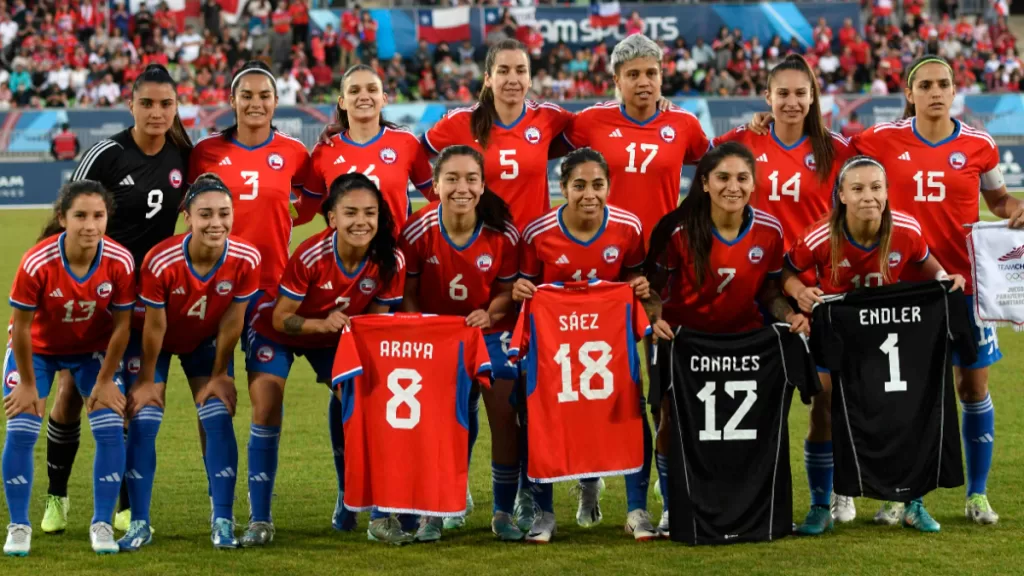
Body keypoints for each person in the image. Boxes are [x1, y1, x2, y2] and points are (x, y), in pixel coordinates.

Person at [750, 53, 1024, 526]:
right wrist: (767, 121)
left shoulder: (980, 144)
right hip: (892, 292)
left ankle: (976, 495)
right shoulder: (877, 139)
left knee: (972, 385)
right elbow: (828, 147)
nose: (936, 92)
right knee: (893, 396)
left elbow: (998, 199)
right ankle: (889, 495)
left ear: (955, 89)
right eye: (926, 85)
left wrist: (1016, 208)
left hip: (957, 283)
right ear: (910, 93)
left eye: (944, 84)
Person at [43, 63, 193, 536]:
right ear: (131, 105)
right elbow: (61, 220)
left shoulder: (182, 155)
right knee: (70, 394)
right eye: (146, 103)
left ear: (175, 108)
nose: (156, 112)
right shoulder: (106, 155)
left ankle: (127, 504)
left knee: (133, 400)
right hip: (92, 296)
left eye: (165, 104)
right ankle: (56, 495)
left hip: (146, 301)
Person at [782, 155, 966, 533]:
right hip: (836, 335)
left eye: (876, 188)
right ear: (842, 196)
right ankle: (822, 504)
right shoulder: (820, 236)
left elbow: (928, 264)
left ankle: (911, 500)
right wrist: (799, 291)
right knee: (824, 407)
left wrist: (947, 278)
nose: (869, 196)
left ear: (886, 193)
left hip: (885, 336)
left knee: (901, 411)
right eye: (859, 188)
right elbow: (784, 270)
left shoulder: (906, 231)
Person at [644, 142, 808, 538]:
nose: (732, 186)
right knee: (669, 422)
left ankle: (744, 502)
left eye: (741, 178)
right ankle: (672, 504)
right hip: (684, 343)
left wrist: (791, 315)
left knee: (747, 431)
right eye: (722, 177)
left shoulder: (769, 230)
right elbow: (651, 289)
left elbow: (770, 292)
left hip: (743, 344)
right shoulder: (677, 230)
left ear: (753, 183)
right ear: (704, 183)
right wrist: (656, 317)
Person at [242, 173, 405, 547]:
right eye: (350, 213)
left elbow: (377, 323)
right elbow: (282, 317)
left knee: (360, 397)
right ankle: (260, 520)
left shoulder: (388, 259)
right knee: (266, 408)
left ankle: (369, 509)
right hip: (278, 330)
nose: (361, 222)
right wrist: (322, 323)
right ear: (331, 218)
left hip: (332, 336)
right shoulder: (312, 254)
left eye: (370, 213)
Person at [511, 148, 655, 543]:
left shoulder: (627, 227)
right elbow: (523, 289)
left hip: (607, 345)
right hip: (554, 348)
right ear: (563, 188)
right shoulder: (537, 233)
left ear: (609, 186)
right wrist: (521, 289)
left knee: (628, 413)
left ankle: (636, 509)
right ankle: (544, 513)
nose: (589, 194)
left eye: (597, 185)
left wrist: (638, 286)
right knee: (542, 420)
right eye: (579, 185)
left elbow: (633, 279)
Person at [116, 174, 261, 551]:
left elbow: (233, 320)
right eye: (206, 214)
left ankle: (223, 519)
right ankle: (140, 524)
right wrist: (148, 378)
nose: (216, 222)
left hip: (205, 342)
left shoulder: (246, 257)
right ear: (188, 218)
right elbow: (155, 324)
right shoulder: (161, 259)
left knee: (217, 413)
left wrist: (219, 374)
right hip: (155, 341)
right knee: (145, 417)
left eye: (224, 214)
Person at [4, 181, 135, 556]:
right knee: (23, 427)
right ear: (62, 218)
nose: (90, 225)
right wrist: (28, 385)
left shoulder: (120, 261)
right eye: (80, 216)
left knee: (111, 427)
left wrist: (108, 379)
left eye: (98, 215)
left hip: (90, 351)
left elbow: (123, 326)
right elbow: (23, 329)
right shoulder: (37, 262)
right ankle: (18, 526)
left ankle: (102, 524)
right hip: (37, 353)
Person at [398, 146, 522, 542]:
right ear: (434, 185)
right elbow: (409, 292)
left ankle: (503, 511)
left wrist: (491, 312)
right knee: (439, 423)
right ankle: (435, 510)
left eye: (471, 178)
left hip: (489, 332)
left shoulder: (503, 233)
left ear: (483, 185)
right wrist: (423, 328)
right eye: (451, 178)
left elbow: (507, 293)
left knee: (504, 415)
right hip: (436, 338)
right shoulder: (416, 231)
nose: (462, 187)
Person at [189, 60, 311, 325]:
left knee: (263, 365)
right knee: (216, 367)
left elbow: (312, 200)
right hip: (212, 278)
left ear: (276, 101)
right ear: (233, 101)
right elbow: (185, 209)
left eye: (264, 96)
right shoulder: (205, 151)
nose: (256, 103)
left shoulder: (294, 152)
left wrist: (285, 216)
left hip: (269, 280)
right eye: (246, 96)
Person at [561, 33, 711, 242]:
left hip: (661, 249)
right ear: (617, 80)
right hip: (607, 249)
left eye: (651, 73)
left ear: (661, 76)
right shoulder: (593, 119)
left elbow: (717, 163)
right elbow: (543, 146)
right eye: (633, 74)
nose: (644, 82)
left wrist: (693, 211)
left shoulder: (684, 123)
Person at [422, 39, 574, 230]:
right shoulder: (461, 121)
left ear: (530, 79)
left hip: (533, 247)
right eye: (503, 71)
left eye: (520, 71)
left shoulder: (548, 117)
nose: (512, 79)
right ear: (488, 78)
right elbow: (415, 154)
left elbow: (589, 131)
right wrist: (441, 195)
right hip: (480, 248)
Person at [301, 64, 434, 231]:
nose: (364, 96)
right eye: (354, 91)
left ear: (384, 99)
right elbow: (304, 211)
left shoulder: (406, 143)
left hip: (397, 255)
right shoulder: (325, 150)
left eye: (372, 90)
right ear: (342, 102)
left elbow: (438, 196)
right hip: (346, 256)